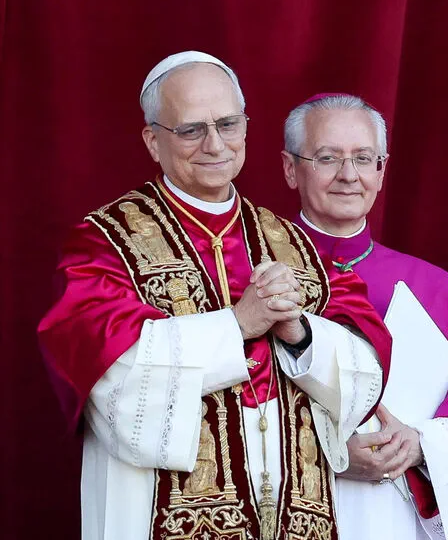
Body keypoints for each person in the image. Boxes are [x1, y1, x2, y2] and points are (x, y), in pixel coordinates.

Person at [38, 52, 392, 540]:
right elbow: (109, 377)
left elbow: (366, 362)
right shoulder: (106, 241)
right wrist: (237, 327)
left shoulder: (294, 243)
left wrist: (300, 333)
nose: (215, 144)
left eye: (228, 124)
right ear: (153, 141)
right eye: (191, 130)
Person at [281, 93, 448, 539]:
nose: (349, 176)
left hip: (390, 518)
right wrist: (328, 452)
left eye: (364, 158)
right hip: (282, 509)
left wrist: (421, 444)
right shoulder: (255, 274)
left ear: (381, 171)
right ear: (291, 168)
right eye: (328, 158)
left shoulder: (432, 288)